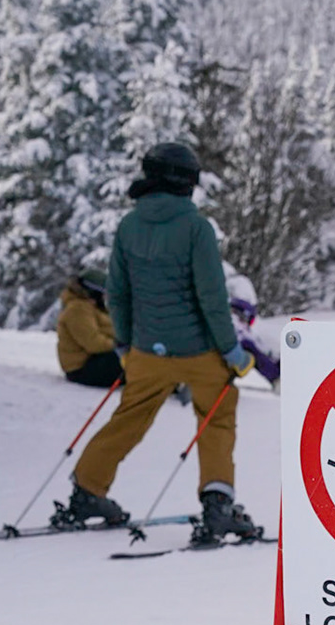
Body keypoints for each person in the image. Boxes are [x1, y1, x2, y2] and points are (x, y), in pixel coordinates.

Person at [52, 142, 261, 545]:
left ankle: (88, 492)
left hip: (147, 351)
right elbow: (212, 298)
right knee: (216, 417)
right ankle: (218, 506)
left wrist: (125, 345)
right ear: (187, 182)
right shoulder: (197, 228)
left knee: (128, 418)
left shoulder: (129, 226)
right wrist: (232, 352)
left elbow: (119, 293)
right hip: (200, 352)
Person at [56, 269, 122, 388]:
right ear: (92, 292)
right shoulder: (77, 309)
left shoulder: (92, 307)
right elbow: (93, 343)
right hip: (82, 369)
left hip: (94, 362)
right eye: (102, 294)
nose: (105, 298)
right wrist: (119, 345)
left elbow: (108, 329)